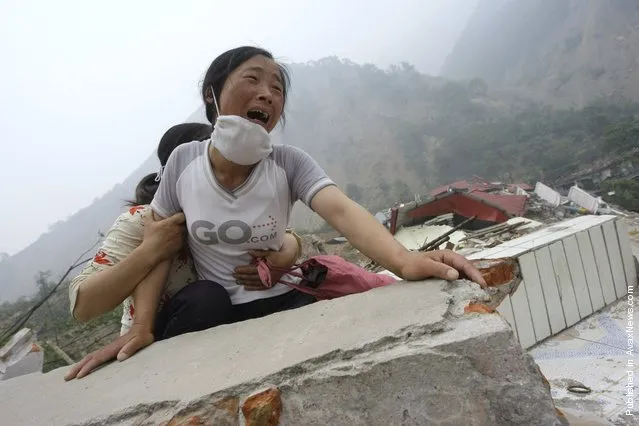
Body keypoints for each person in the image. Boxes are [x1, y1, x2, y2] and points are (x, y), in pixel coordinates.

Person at [65, 45, 485, 381]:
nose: (267, 92)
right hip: (215, 312)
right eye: (252, 78)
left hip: (283, 299)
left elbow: (341, 209)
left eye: (278, 88)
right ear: (212, 93)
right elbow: (158, 249)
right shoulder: (183, 161)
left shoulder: (289, 162)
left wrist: (405, 261)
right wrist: (141, 329)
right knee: (206, 299)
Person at [64, 122, 302, 380]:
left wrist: (291, 247)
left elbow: (280, 235)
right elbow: (83, 305)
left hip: (226, 335)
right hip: (159, 343)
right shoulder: (141, 222)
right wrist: (150, 250)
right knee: (207, 298)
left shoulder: (232, 214)